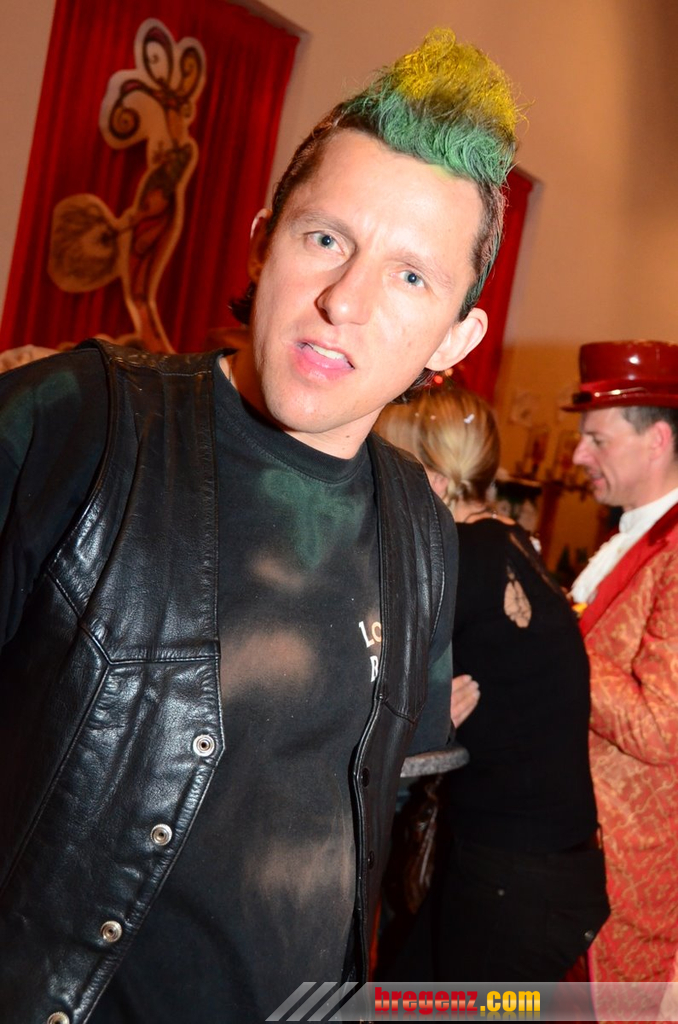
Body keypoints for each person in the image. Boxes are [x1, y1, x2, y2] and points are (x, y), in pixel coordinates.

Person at [0, 29, 521, 1024]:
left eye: (410, 276)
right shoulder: (77, 423)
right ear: (261, 239)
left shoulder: (421, 528)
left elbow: (358, 824)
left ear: (456, 337)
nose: (343, 300)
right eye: (325, 239)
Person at [375, 384, 609, 982]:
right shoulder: (503, 538)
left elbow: (372, 700)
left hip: (517, 880)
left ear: (431, 478)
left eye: (384, 464)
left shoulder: (456, 558)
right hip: (535, 869)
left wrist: (422, 715)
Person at [566, 340, 678, 992]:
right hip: (585, 855)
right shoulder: (636, 534)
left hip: (625, 876)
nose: (579, 455)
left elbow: (662, 728)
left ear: (656, 440)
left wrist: (555, 637)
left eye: (598, 440)